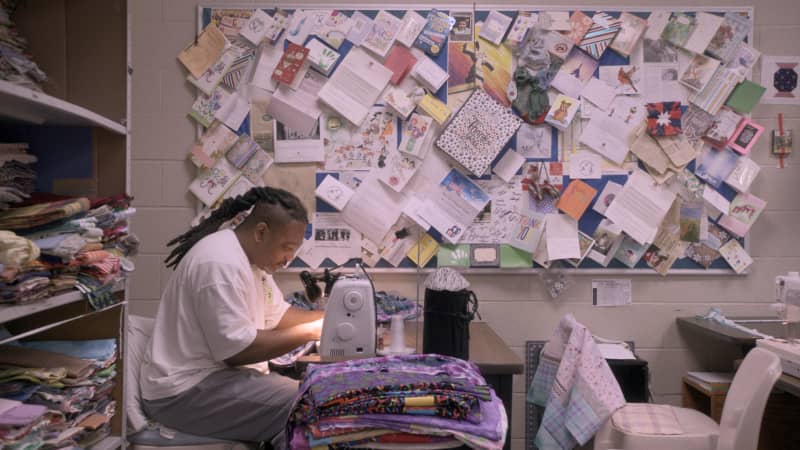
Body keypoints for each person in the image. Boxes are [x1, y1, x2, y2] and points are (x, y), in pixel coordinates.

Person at [140, 186, 324, 449]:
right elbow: (237, 351)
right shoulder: (220, 264)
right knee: (308, 403)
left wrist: (332, 320)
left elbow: (281, 315)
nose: (288, 258)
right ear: (261, 232)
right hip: (181, 394)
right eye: (287, 247)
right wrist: (311, 331)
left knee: (311, 395)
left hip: (214, 380)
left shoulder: (252, 263)